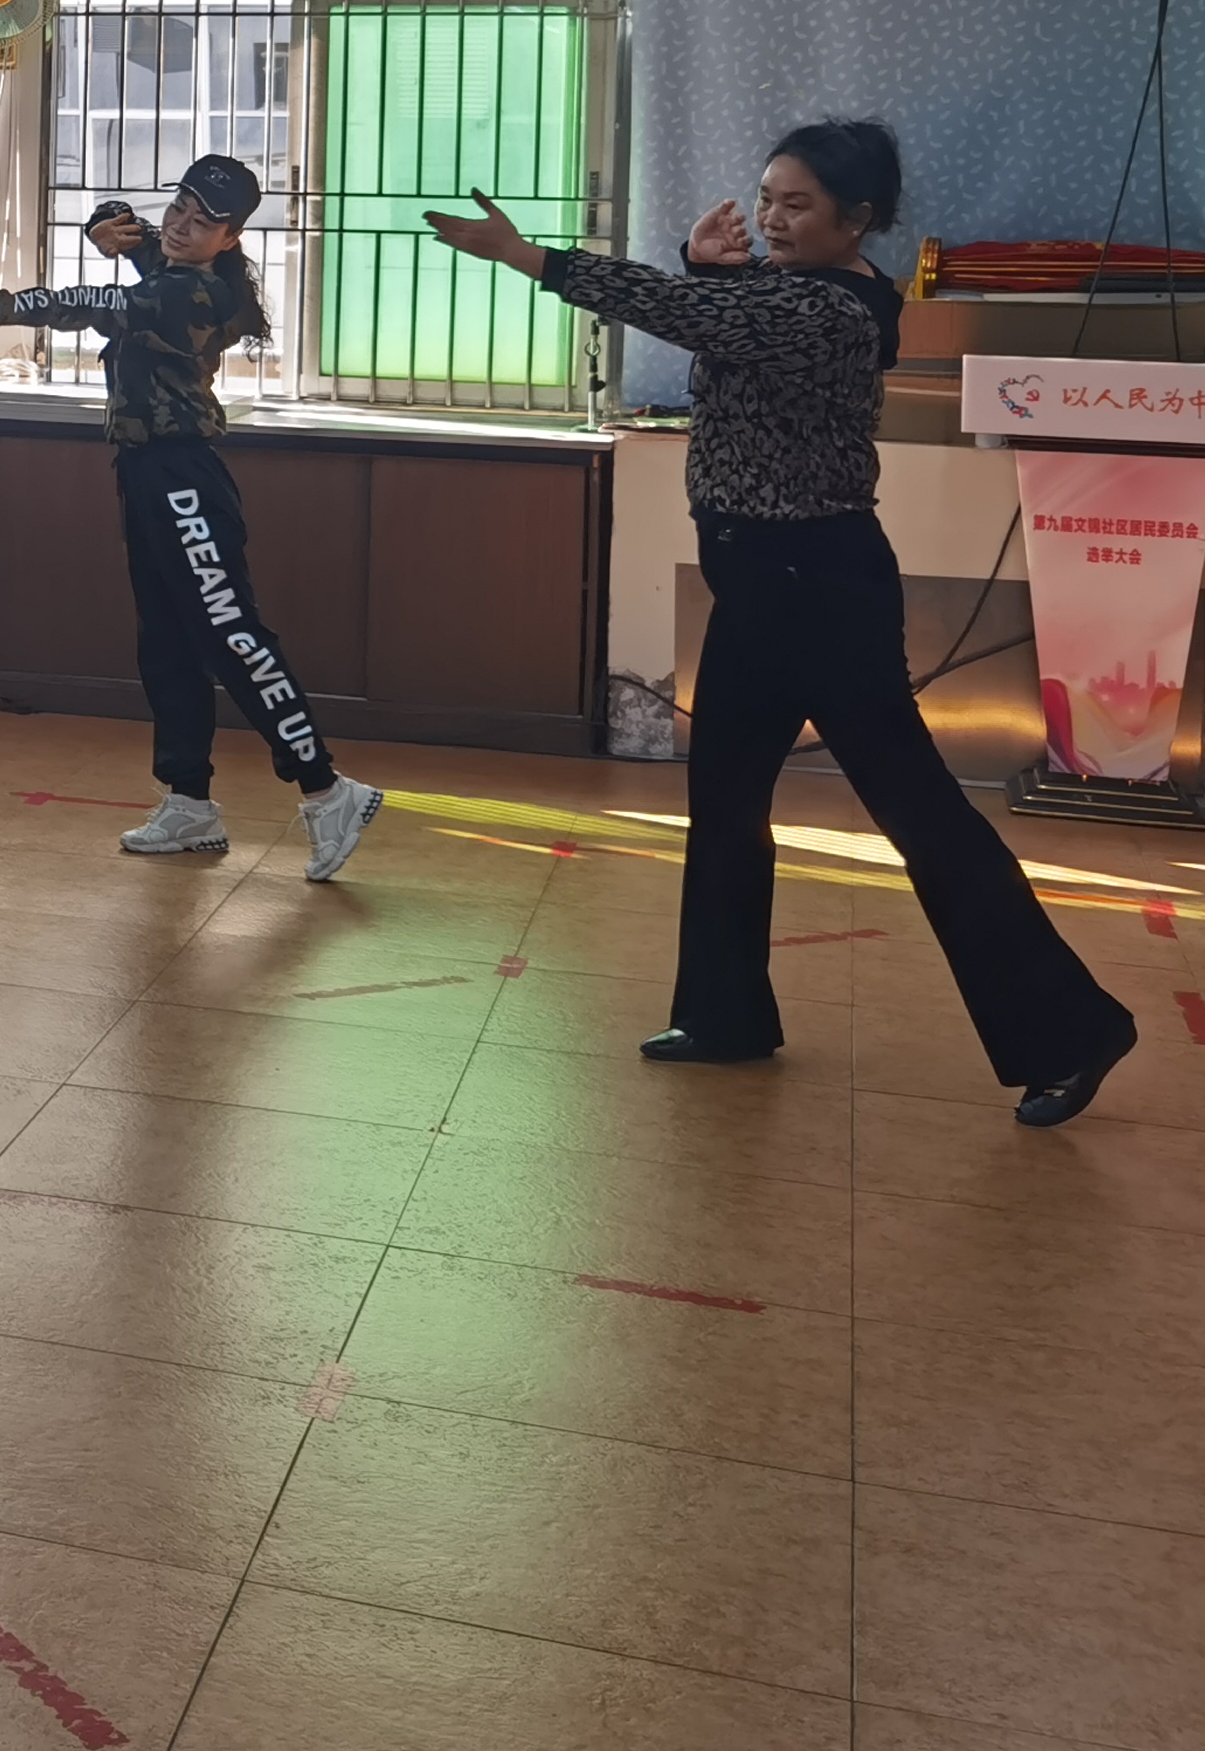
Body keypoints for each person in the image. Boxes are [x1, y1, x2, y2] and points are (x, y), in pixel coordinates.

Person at [428, 120, 1137, 1125]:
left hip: (820, 593)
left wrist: (531, 257)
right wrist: (704, 266)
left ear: (858, 219)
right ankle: (724, 1017)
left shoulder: (834, 309)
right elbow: (720, 318)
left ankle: (1072, 1030)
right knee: (723, 802)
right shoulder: (781, 288)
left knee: (920, 814)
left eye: (797, 205)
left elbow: (691, 316)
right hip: (758, 586)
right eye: (766, 198)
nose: (771, 218)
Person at [0, 154, 389, 884]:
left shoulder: (192, 294)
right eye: (178, 209)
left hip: (186, 480)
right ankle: (189, 801)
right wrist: (109, 224)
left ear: (231, 238)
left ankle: (325, 787)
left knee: (231, 634)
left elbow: (89, 303)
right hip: (147, 473)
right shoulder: (176, 263)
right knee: (167, 642)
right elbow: (131, 236)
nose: (182, 227)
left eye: (204, 222)